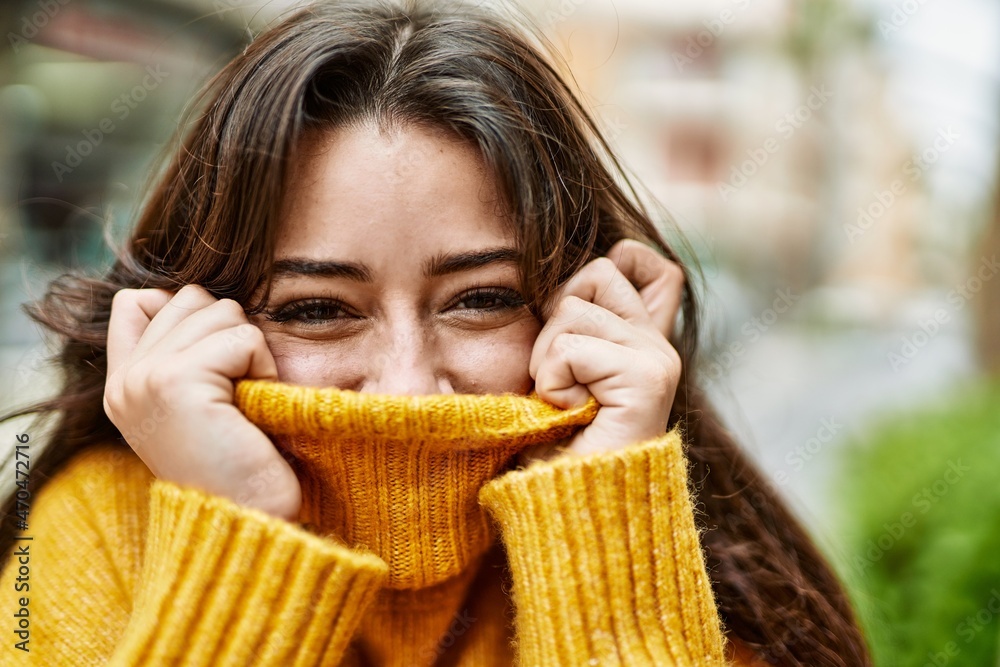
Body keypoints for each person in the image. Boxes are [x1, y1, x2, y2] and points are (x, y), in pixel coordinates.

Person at [0, 0, 871, 664]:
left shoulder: (702, 564)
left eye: (481, 298)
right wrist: (242, 529)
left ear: (586, 306)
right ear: (192, 320)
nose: (410, 387)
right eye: (317, 309)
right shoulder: (87, 538)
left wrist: (606, 518)